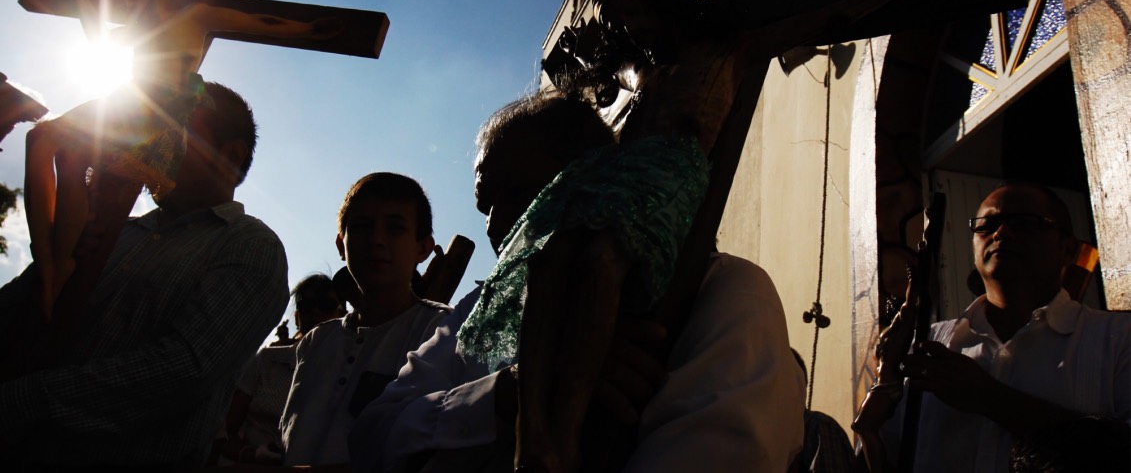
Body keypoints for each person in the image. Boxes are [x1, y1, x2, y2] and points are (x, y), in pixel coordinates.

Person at [350, 91, 805, 473]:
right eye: (485, 204)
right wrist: (504, 393)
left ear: (594, 178)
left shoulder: (726, 294)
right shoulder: (476, 316)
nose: (497, 224)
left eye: (521, 192)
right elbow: (371, 436)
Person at [0, 81, 289, 469]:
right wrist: (59, 252)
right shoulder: (113, 228)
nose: (151, 143)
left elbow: (184, 369)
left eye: (175, 133)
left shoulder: (250, 246)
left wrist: (23, 401)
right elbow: (18, 308)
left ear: (229, 156)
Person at [23, 0, 341, 319]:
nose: (127, 7)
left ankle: (55, 263)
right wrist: (85, 9)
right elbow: (101, 40)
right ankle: (53, 259)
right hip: (128, 102)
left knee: (55, 144)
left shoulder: (194, 16)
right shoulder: (138, 27)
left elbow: (256, 20)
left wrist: (303, 29)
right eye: (123, 0)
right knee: (50, 145)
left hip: (160, 110)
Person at [853, 183, 1131, 473]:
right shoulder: (925, 344)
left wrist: (988, 397)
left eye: (1024, 223)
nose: (1001, 233)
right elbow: (877, 454)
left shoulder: (1117, 340)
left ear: (1068, 249)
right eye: (987, 225)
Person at [279, 173, 451, 468]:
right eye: (361, 227)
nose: (376, 240)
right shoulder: (316, 341)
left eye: (395, 228)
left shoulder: (443, 332)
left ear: (422, 247)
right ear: (340, 244)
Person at [215, 273, 346, 466]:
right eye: (307, 305)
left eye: (326, 305)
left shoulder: (353, 367)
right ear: (297, 316)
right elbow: (224, 429)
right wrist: (252, 454)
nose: (316, 312)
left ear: (343, 314)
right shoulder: (266, 361)